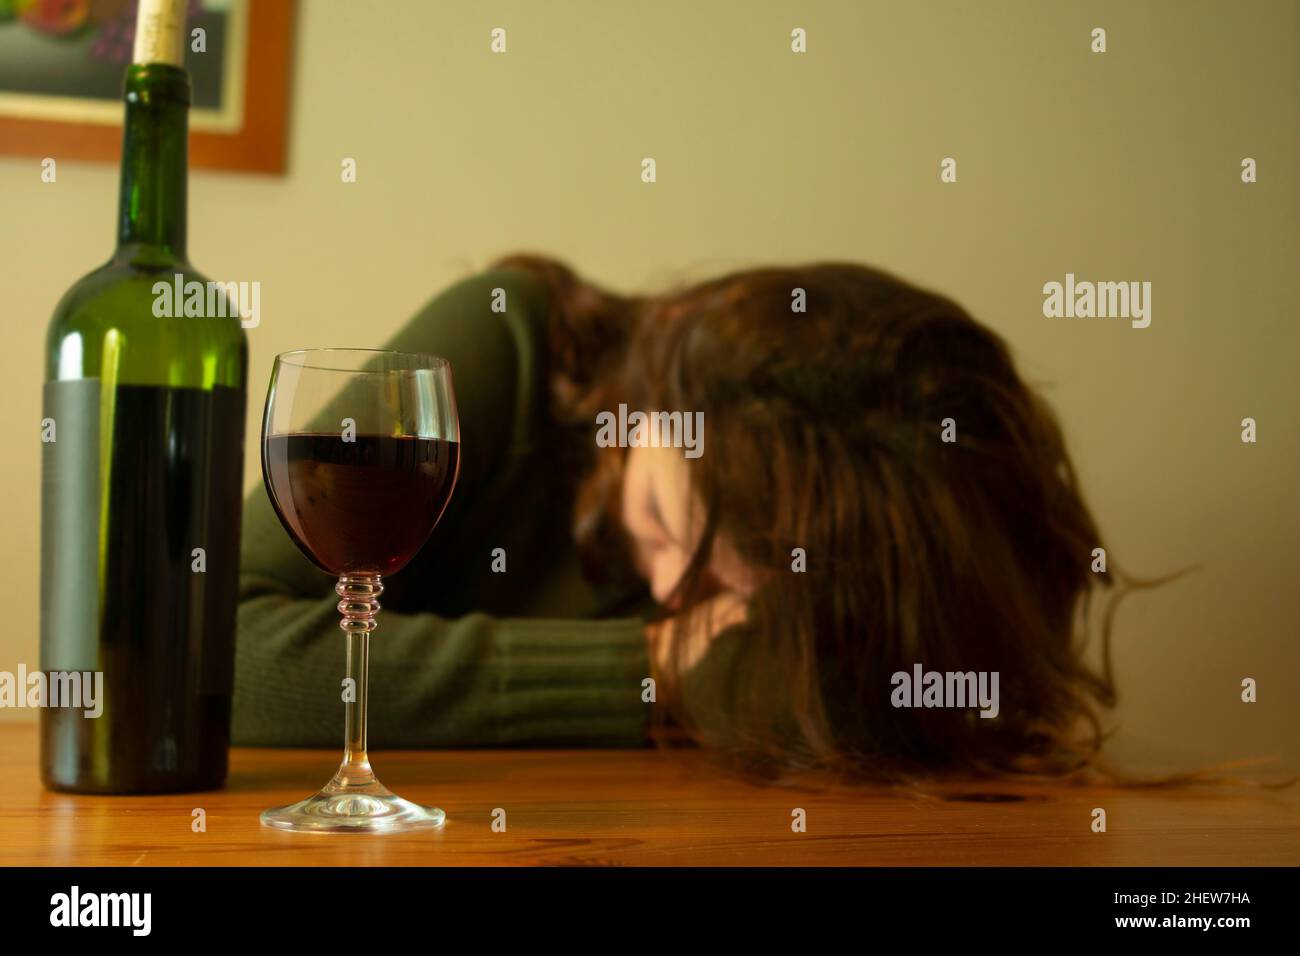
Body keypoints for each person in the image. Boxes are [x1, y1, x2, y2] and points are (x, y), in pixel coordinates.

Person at [234, 252, 1140, 782]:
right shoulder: (508, 343)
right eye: (671, 525)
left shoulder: (848, 575)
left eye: (719, 587)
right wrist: (655, 664)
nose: (669, 590)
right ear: (663, 384)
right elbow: (208, 648)